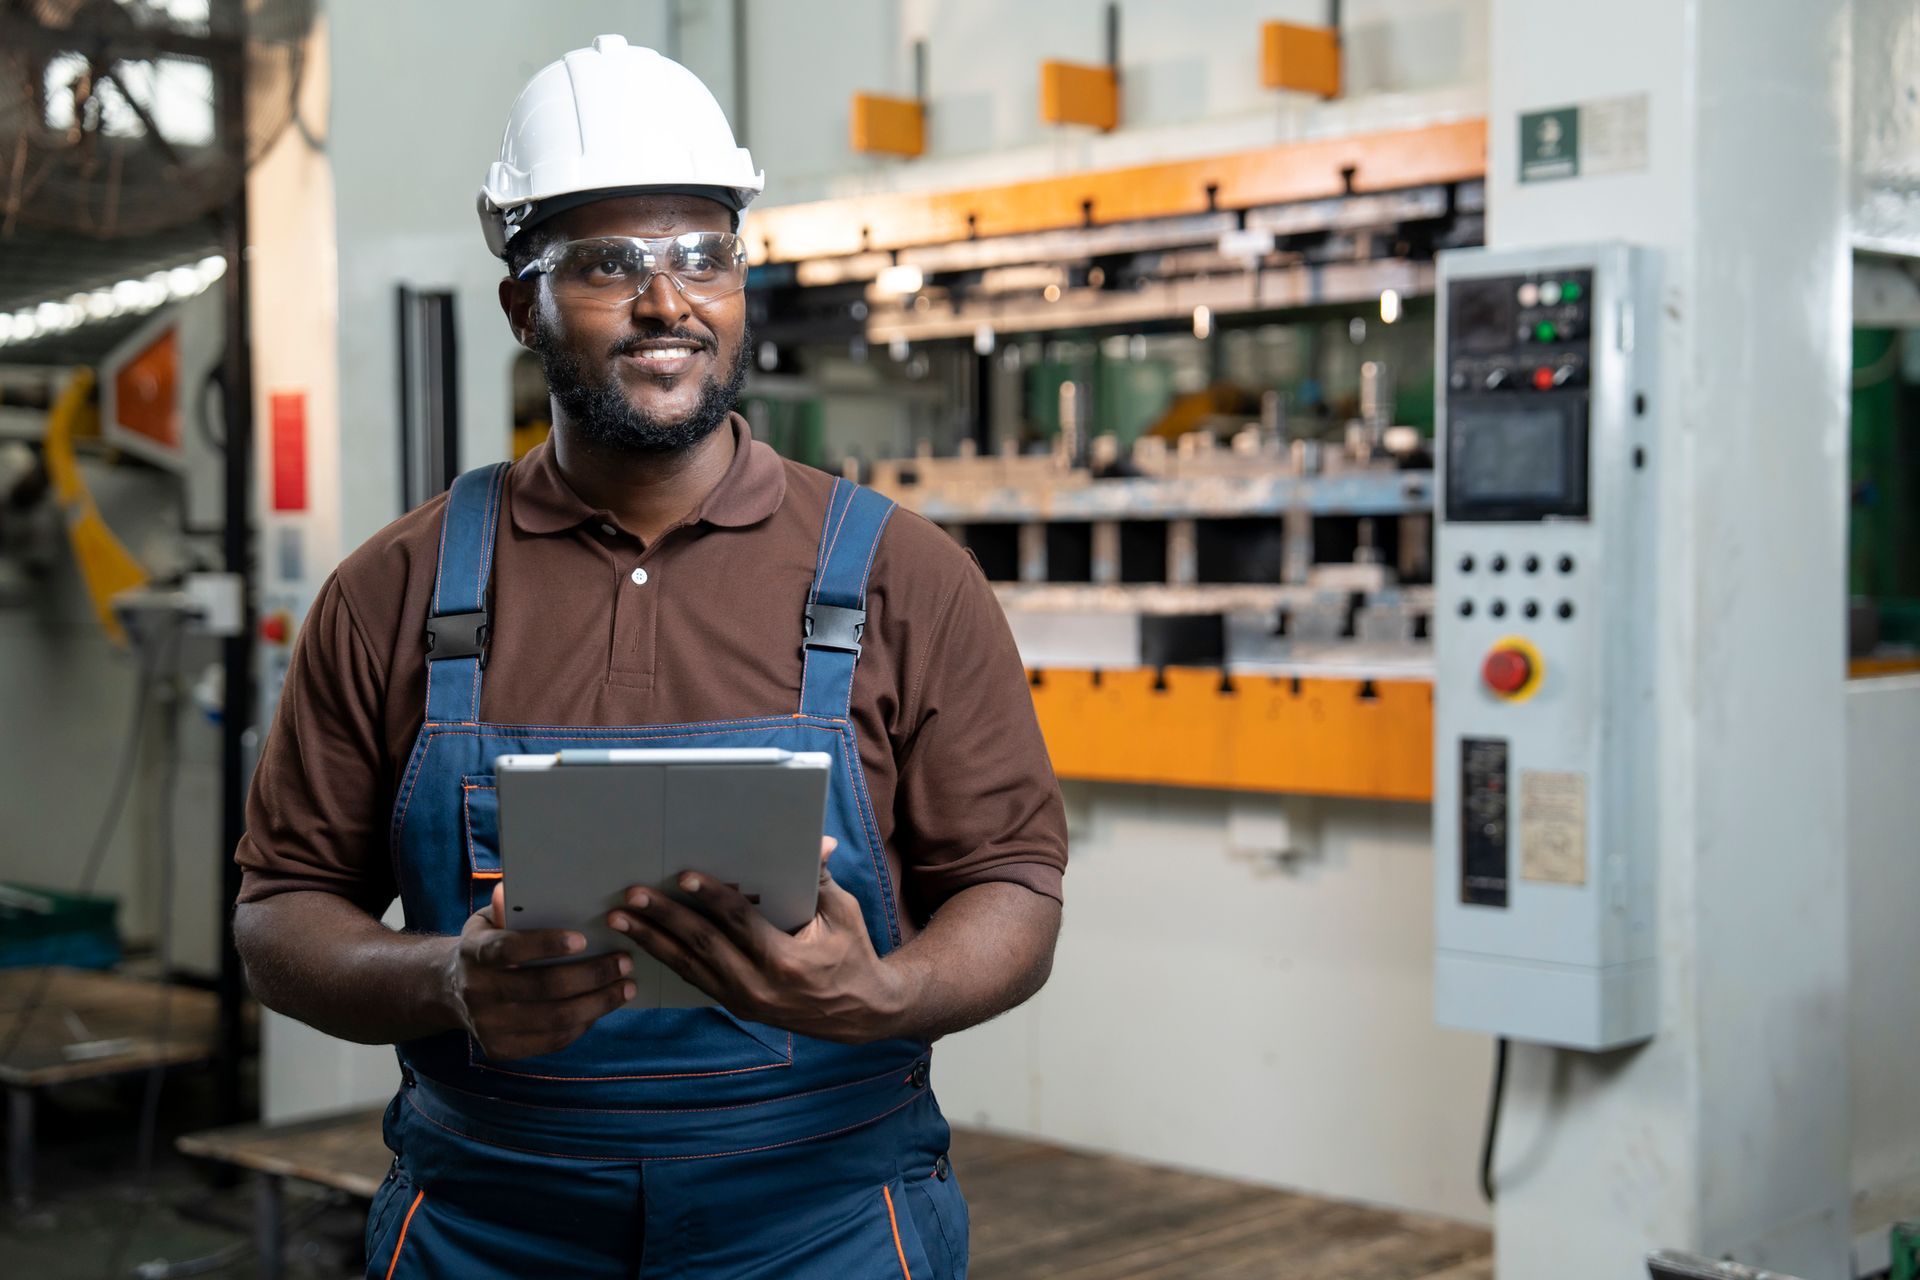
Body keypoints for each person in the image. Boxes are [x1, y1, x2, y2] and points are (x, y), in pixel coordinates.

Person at [231, 35, 1066, 1279]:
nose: (668, 300)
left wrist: (880, 996)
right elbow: (278, 914)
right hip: (492, 1226)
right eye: (609, 263)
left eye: (704, 257)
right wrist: (447, 980)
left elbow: (1017, 888)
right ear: (523, 304)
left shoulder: (904, 577)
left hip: (826, 1222)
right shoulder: (395, 590)